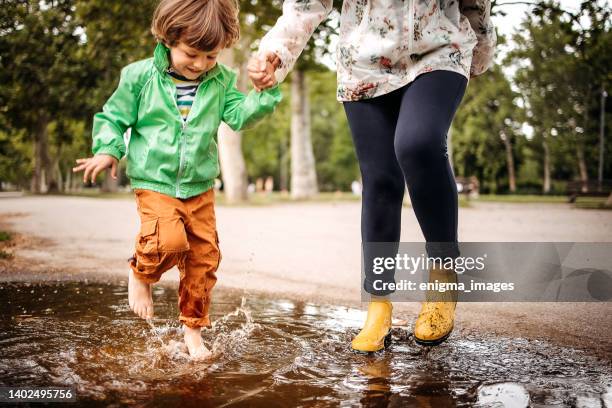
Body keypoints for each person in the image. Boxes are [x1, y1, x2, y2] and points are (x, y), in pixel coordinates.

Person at [249, 0, 496, 351]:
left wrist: (482, 47)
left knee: (417, 143)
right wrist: (276, 51)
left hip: (440, 49)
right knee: (380, 180)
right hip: (364, 62)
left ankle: (443, 273)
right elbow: (307, 4)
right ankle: (378, 304)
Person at [72, 0, 282, 358]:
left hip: (200, 189)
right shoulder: (139, 77)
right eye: (192, 54)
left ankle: (193, 333)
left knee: (203, 260)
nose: (200, 65)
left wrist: (263, 93)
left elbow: (240, 115)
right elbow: (113, 117)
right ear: (168, 38)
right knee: (167, 241)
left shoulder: (220, 82)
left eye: (211, 57)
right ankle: (141, 273)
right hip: (155, 183)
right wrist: (108, 149)